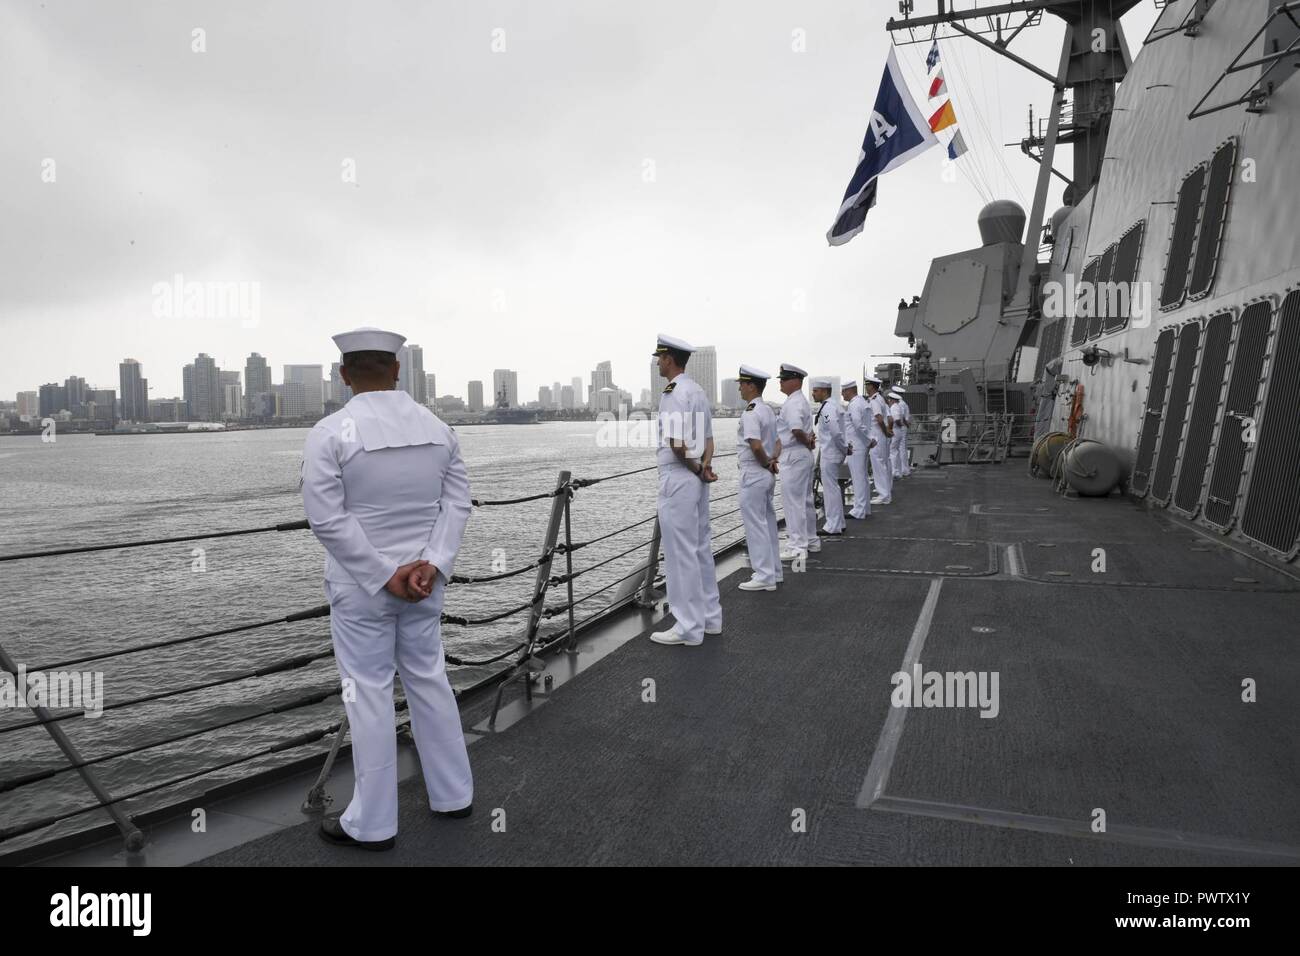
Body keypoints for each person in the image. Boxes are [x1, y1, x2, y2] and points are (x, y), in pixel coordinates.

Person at [301, 327, 473, 851]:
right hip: (425, 585)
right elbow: (457, 504)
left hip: (363, 590)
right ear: (398, 369)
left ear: (344, 373)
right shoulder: (439, 429)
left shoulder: (330, 433)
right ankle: (453, 794)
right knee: (429, 679)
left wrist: (382, 574)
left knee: (369, 695)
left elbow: (327, 520)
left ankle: (372, 823)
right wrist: (431, 565)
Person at [650, 334, 723, 646]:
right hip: (696, 479)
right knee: (699, 548)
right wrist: (705, 467)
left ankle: (688, 628)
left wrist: (696, 468)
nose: (656, 363)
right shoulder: (697, 391)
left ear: (669, 359)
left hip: (680, 477)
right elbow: (708, 440)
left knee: (680, 555)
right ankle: (710, 619)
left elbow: (678, 445)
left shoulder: (674, 393)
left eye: (659, 357)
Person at [735, 366, 782, 591]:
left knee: (755, 525)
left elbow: (754, 445)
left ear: (751, 385)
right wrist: (772, 460)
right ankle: (774, 571)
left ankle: (764, 576)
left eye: (742, 384)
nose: (740, 388)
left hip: (754, 473)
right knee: (768, 523)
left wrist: (765, 462)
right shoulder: (768, 411)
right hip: (766, 473)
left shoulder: (751, 412)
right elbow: (778, 441)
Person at [775, 363, 819, 557]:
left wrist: (806, 440)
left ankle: (797, 546)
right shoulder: (800, 401)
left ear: (795, 381)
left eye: (784, 379)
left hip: (793, 454)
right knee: (805, 500)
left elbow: (795, 430)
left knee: (793, 502)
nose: (781, 383)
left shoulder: (793, 403)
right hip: (802, 454)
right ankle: (811, 540)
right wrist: (808, 441)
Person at [811, 377, 847, 536]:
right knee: (833, 488)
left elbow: (835, 431)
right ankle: (840, 522)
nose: (813, 394)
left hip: (830, 453)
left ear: (824, 391)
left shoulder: (828, 408)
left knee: (830, 490)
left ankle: (833, 526)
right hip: (833, 452)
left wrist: (843, 448)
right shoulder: (832, 406)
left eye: (815, 391)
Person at [841, 380, 873, 520]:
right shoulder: (862, 402)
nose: (842, 394)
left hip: (856, 446)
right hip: (862, 445)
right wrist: (869, 440)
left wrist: (868, 440)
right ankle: (864, 508)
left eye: (844, 391)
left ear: (850, 390)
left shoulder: (854, 405)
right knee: (863, 478)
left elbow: (858, 424)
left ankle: (859, 510)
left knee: (858, 478)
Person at [864, 376, 894, 505]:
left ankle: (884, 495)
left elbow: (879, 419)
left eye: (867, 384)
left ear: (872, 386)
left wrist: (885, 431)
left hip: (877, 435)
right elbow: (890, 418)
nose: (866, 387)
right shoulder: (881, 399)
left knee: (878, 465)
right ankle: (886, 492)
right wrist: (888, 430)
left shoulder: (874, 400)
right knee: (884, 464)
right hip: (881, 436)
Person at [888, 387, 912, 477]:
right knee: (901, 449)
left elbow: (897, 418)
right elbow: (905, 418)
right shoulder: (904, 404)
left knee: (897, 450)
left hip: (898, 427)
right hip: (902, 427)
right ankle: (904, 469)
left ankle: (900, 470)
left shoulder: (898, 404)